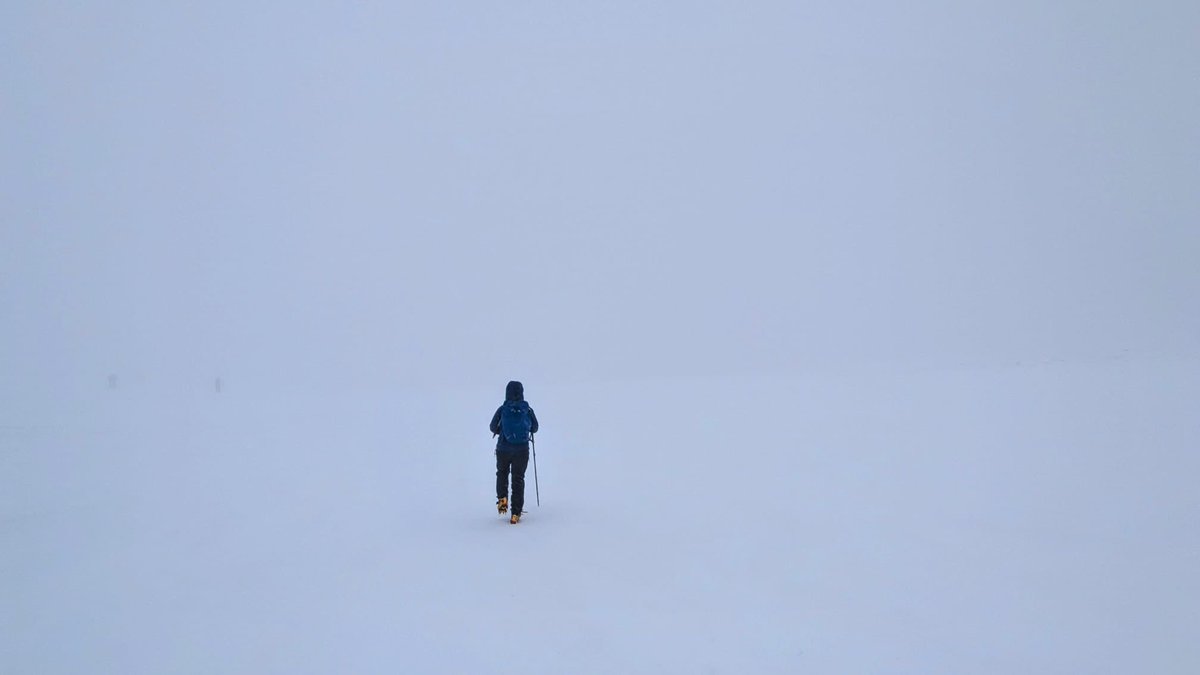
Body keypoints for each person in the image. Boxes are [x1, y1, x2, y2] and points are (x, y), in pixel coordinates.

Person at [490, 380, 539, 524]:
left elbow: (492, 426)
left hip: (503, 449)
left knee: (502, 473)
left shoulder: (502, 409)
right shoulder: (528, 409)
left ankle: (502, 499)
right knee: (518, 479)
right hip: (522, 450)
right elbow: (535, 428)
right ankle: (515, 513)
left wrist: (502, 432)